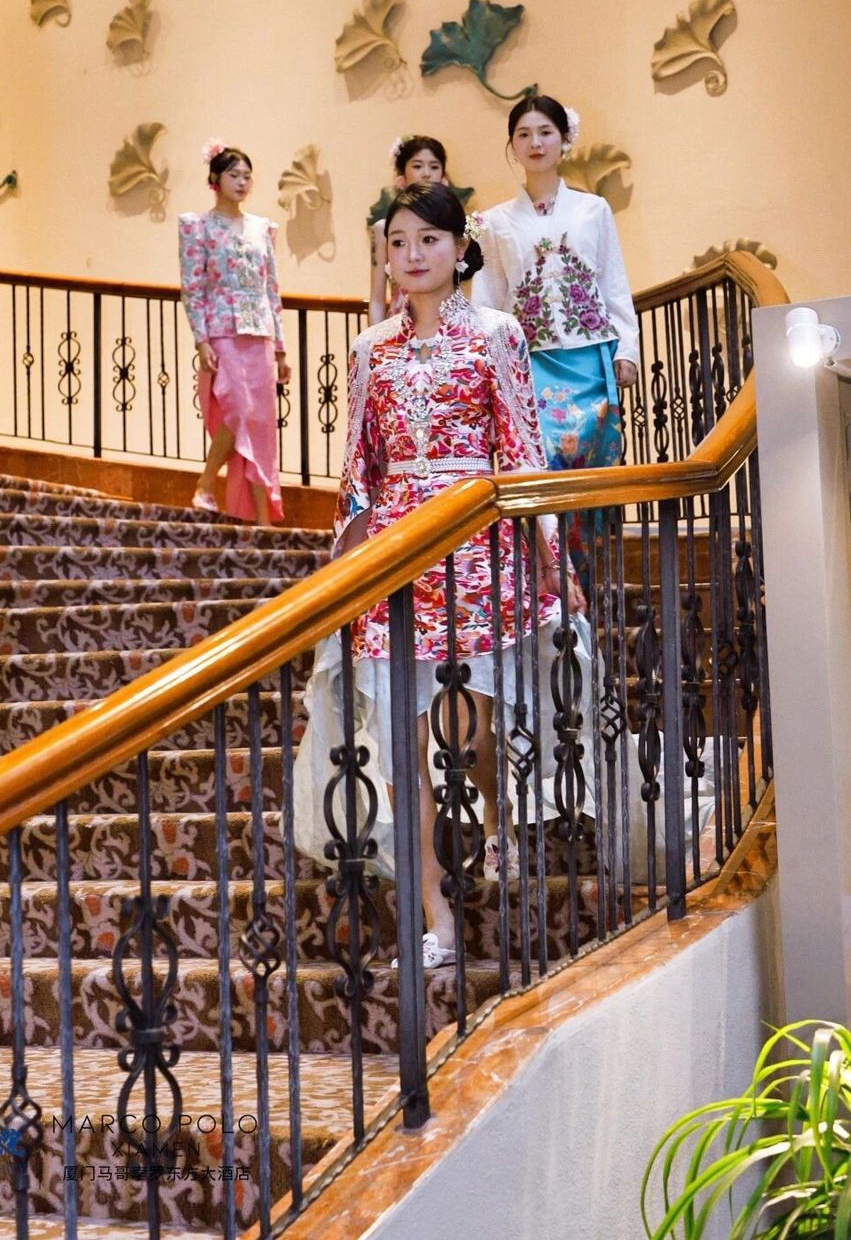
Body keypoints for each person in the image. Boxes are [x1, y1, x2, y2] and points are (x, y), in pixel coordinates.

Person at [295, 182, 587, 970]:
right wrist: (345, 565)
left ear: (459, 249)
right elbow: (358, 468)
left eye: (428, 239)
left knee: (466, 732)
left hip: (472, 547)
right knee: (400, 747)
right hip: (395, 556)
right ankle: (436, 916)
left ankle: (495, 820)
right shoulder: (369, 349)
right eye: (397, 242)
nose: (412, 254)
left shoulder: (497, 334)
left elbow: (521, 447)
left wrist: (550, 553)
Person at [472, 95, 639, 506]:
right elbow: (488, 298)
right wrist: (487, 363)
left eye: (546, 132)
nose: (535, 143)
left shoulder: (593, 209)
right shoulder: (494, 222)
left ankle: (590, 549)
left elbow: (612, 282)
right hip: (528, 362)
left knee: (592, 465)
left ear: (564, 139)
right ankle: (548, 548)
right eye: (524, 134)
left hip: (590, 356)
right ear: (512, 145)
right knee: (538, 461)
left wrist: (627, 349)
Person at [178, 141, 291, 526]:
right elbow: (193, 287)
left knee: (260, 423)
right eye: (233, 175)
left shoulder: (262, 228)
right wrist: (201, 339)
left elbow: (271, 289)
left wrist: (281, 349)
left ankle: (262, 517)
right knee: (238, 411)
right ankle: (206, 482)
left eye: (247, 176)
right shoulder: (199, 227)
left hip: (260, 331)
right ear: (215, 179)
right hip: (222, 330)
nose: (242, 182)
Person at [368, 135, 450, 324]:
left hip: (448, 324)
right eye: (417, 166)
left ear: (443, 177)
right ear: (401, 177)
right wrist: (372, 339)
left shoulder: (454, 228)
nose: (426, 174)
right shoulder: (384, 229)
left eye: (434, 167)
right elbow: (377, 299)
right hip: (400, 323)